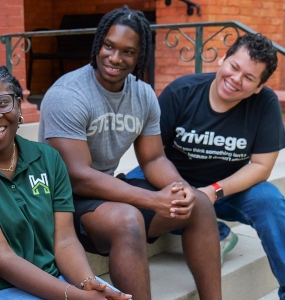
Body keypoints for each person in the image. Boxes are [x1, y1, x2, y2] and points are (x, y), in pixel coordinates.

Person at [38, 6, 222, 300]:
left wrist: (179, 190)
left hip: (104, 193)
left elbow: (153, 158)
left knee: (198, 203)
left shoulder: (143, 94)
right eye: (109, 46)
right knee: (127, 219)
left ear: (140, 56)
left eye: (127, 51)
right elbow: (77, 177)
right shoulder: (68, 94)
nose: (114, 58)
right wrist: (152, 199)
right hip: (60, 202)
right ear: (99, 43)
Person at [128, 33, 285, 300]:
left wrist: (213, 192)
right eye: (234, 67)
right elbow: (152, 155)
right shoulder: (181, 91)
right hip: (173, 182)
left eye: (249, 78)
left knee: (271, 202)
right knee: (130, 192)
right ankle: (216, 231)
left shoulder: (265, 104)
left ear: (257, 87)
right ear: (223, 59)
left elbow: (261, 167)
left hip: (228, 191)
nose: (235, 80)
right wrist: (184, 192)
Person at [0, 62, 131, 300]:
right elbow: (2, 259)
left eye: (3, 102)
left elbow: (65, 240)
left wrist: (87, 283)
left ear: (18, 105)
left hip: (54, 277)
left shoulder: (47, 158)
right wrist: (75, 297)